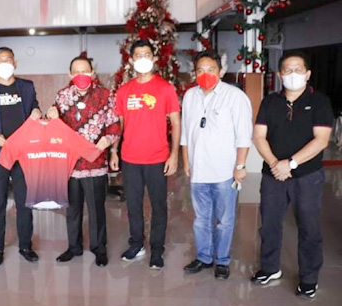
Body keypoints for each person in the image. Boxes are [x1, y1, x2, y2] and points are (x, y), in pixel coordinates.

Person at [251, 51, 333, 299]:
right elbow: (259, 136)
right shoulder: (270, 102)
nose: (293, 74)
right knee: (269, 224)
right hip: (272, 175)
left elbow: (321, 140)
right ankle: (270, 268)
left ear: (307, 74)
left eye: (298, 70)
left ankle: (309, 278)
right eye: (288, 70)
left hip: (307, 176)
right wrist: (275, 163)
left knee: (309, 227)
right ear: (280, 75)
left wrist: (291, 163)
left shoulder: (319, 102)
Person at [180, 50, 253, 280]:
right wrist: (186, 161)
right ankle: (204, 257)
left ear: (221, 71)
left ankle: (222, 260)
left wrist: (240, 166)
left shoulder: (235, 96)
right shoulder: (190, 96)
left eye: (211, 69)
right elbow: (186, 132)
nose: (205, 74)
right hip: (198, 171)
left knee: (224, 220)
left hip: (224, 172)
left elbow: (244, 135)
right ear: (194, 73)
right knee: (201, 219)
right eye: (200, 70)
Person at [112, 40, 181, 269]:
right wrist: (114, 151)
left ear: (154, 58)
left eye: (147, 54)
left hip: (157, 158)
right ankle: (136, 244)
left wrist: (174, 155)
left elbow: (176, 122)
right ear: (131, 60)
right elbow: (120, 125)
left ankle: (157, 249)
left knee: (158, 205)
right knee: (133, 205)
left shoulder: (165, 88)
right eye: (138, 55)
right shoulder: (124, 91)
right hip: (130, 158)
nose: (143, 58)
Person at [46, 56, 120, 267]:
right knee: (72, 208)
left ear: (92, 73)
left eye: (85, 71)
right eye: (77, 72)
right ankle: (74, 246)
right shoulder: (62, 96)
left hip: (95, 163)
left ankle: (99, 248)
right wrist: (49, 115)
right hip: (70, 165)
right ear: (70, 74)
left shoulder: (105, 95)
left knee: (96, 209)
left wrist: (109, 140)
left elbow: (114, 124)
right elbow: (52, 125)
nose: (81, 75)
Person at [0, 47, 42, 267]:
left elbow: (34, 110)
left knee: (24, 203)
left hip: (23, 155)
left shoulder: (27, 87)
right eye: (0, 60)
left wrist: (37, 112)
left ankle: (25, 246)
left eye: (8, 59)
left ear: (15, 63)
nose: (4, 63)